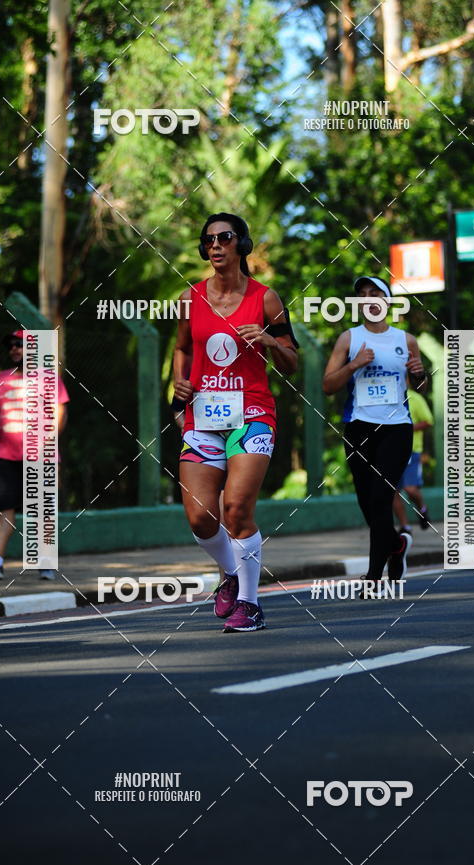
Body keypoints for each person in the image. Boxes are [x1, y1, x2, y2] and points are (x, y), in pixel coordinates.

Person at [173, 213, 298, 632]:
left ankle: (250, 602)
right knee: (199, 516)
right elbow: (183, 350)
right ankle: (229, 572)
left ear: (241, 244)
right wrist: (179, 391)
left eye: (225, 237)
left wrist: (268, 341)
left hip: (253, 414)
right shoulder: (190, 299)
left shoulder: (266, 299)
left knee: (236, 508)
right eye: (208, 239)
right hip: (203, 417)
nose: (215, 245)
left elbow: (292, 360)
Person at [323, 276, 426, 591]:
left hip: (396, 428)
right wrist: (354, 364)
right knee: (367, 502)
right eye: (362, 295)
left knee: (382, 498)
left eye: (375, 293)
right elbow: (328, 386)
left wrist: (420, 374)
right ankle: (396, 546)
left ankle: (373, 575)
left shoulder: (405, 339)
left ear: (387, 300)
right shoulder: (348, 339)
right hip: (359, 427)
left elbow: (420, 385)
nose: (368, 299)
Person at [0, 330, 69, 580]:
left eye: (20, 344)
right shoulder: (0, 379)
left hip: (41, 455)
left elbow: (60, 412)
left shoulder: (49, 379)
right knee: (4, 506)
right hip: (6, 454)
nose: (14, 349)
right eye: (11, 345)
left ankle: (46, 561)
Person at [393, 383, 433, 533]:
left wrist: (406, 428)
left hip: (411, 450)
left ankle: (422, 509)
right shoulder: (384, 398)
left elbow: (428, 420)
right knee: (393, 491)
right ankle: (405, 527)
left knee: (410, 489)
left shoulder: (414, 398)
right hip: (390, 452)